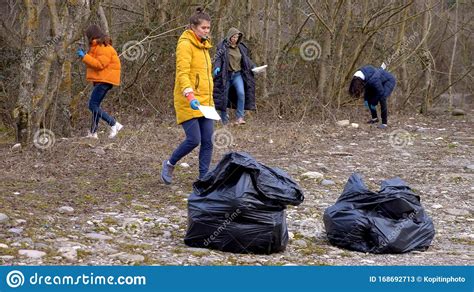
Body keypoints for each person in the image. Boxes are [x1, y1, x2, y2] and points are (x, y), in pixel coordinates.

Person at [160, 8, 214, 184]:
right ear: (193, 27)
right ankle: (169, 163)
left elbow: (202, 74)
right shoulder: (185, 44)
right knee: (194, 140)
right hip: (188, 100)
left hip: (206, 101)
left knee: (208, 141)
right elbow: (182, 73)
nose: (206, 31)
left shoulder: (205, 46)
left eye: (208, 28)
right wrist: (189, 95)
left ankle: (203, 178)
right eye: (203, 28)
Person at [77, 25, 123, 139]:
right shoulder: (96, 46)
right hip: (102, 79)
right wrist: (85, 56)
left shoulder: (104, 47)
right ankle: (93, 133)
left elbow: (99, 65)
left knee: (92, 105)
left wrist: (85, 57)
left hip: (105, 80)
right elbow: (94, 62)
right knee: (95, 106)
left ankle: (114, 124)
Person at [212, 27, 256, 125]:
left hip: (237, 75)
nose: (235, 39)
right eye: (233, 37)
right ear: (229, 37)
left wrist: (253, 66)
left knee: (241, 93)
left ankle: (240, 117)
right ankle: (224, 120)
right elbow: (218, 59)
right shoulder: (222, 46)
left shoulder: (241, 47)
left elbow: (246, 59)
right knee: (224, 97)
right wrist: (217, 67)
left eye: (237, 37)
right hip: (226, 75)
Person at [349, 65, 396, 129]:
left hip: (388, 81)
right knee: (369, 100)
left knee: (382, 99)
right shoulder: (358, 77)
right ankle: (375, 119)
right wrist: (366, 100)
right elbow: (367, 91)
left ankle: (384, 123)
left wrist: (374, 101)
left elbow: (381, 93)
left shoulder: (373, 80)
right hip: (377, 81)